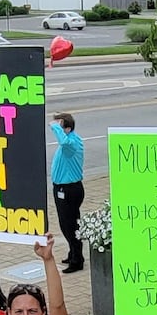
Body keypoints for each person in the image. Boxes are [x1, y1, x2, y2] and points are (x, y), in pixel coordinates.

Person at [51, 112, 85, 274]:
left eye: (60, 126)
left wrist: (56, 128)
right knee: (66, 223)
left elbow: (64, 143)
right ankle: (73, 252)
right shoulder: (70, 142)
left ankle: (77, 259)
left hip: (69, 190)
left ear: (67, 128)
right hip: (63, 188)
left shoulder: (71, 144)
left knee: (70, 225)